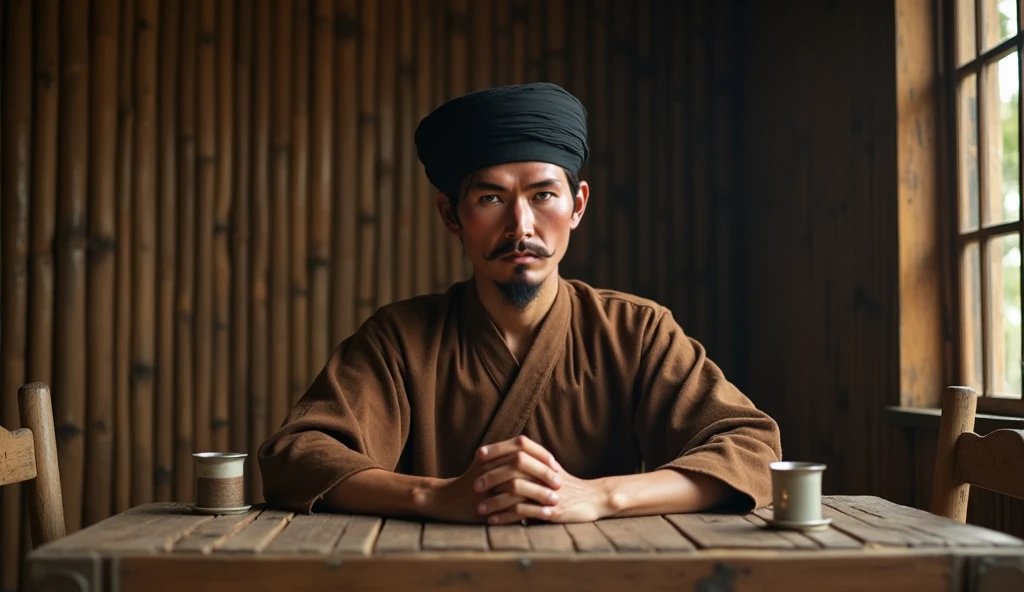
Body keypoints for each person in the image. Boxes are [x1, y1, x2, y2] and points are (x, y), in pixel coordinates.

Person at [258, 82, 782, 525]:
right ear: (451, 215)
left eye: (542, 195)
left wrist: (599, 496)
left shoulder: (635, 332)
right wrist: (436, 496)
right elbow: (296, 455)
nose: (521, 227)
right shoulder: (401, 338)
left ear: (577, 205)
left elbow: (751, 449)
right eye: (491, 199)